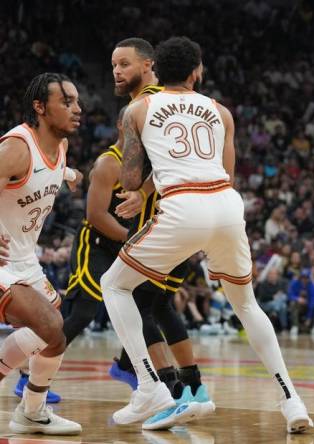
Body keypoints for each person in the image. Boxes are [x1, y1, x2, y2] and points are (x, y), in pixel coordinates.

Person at [99, 36, 312, 433]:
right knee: (247, 306)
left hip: (182, 208)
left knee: (114, 285)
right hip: (226, 205)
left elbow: (128, 178)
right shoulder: (221, 111)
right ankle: (292, 402)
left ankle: (148, 386)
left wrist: (142, 180)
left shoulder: (137, 108)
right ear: (197, 72)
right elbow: (227, 174)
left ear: (155, 72)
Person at [57, 37, 214, 431]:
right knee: (111, 307)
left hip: (156, 228)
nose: (116, 71)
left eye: (123, 64)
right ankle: (179, 386)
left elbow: (158, 171)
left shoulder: (152, 106)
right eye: (112, 65)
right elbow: (98, 213)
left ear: (148, 65)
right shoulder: (114, 157)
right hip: (125, 234)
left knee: (146, 304)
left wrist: (145, 198)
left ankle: (174, 387)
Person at [0, 73, 84, 434]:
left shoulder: (58, 146)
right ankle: (31, 411)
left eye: (77, 101)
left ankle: (31, 413)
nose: (77, 109)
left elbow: (39, 172)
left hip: (25, 259)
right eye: (66, 102)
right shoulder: (16, 147)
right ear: (40, 107)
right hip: (2, 263)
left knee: (52, 330)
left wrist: (66, 173)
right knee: (51, 330)